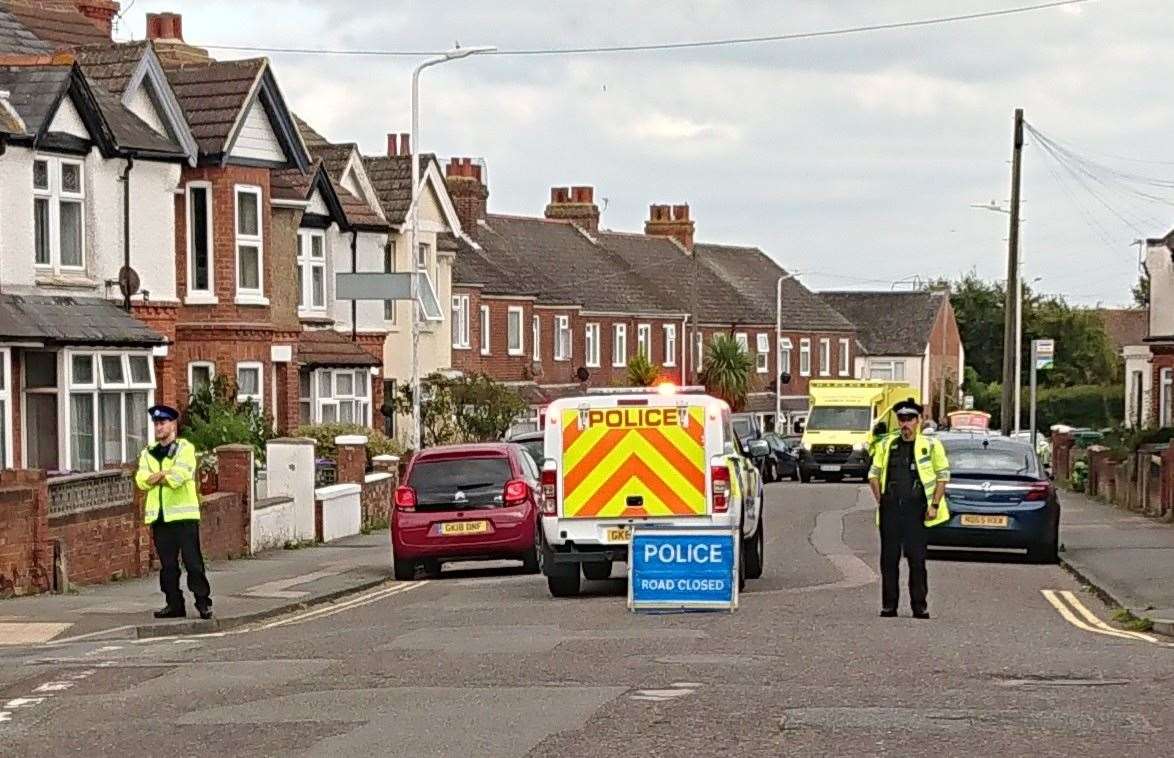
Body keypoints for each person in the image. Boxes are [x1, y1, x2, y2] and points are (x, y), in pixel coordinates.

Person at [867, 398, 950, 619]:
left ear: (919, 420)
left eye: (910, 419)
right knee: (889, 559)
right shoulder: (887, 445)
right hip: (891, 509)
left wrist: (934, 505)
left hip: (917, 510)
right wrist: (881, 500)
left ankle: (919, 606)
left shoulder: (931, 445)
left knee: (917, 559)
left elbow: (943, 477)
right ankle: (889, 605)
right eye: (901, 419)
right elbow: (873, 475)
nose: (905, 423)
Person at [134, 404, 212, 620]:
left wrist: (156, 477)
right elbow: (141, 481)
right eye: (156, 424)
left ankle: (203, 602)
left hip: (184, 517)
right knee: (168, 567)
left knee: (193, 563)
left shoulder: (185, 449)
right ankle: (174, 604)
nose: (158, 427)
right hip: (159, 517)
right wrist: (163, 475)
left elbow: (180, 477)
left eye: (162, 423)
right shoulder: (148, 453)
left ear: (173, 425)